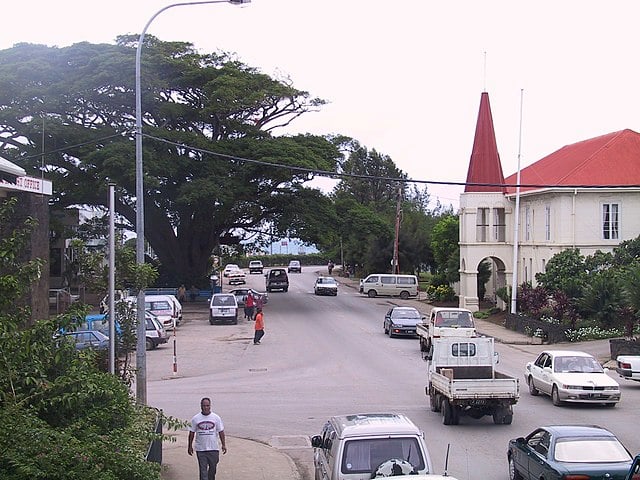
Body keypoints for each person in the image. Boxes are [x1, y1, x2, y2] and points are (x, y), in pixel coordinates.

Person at [188, 397, 226, 480]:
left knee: (213, 469)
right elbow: (191, 433)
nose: (206, 407)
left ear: (210, 406)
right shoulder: (195, 419)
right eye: (204, 405)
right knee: (203, 471)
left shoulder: (216, 418)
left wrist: (223, 445)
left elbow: (221, 432)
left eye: (207, 405)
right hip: (201, 449)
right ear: (201, 406)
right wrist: (190, 446)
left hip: (213, 449)